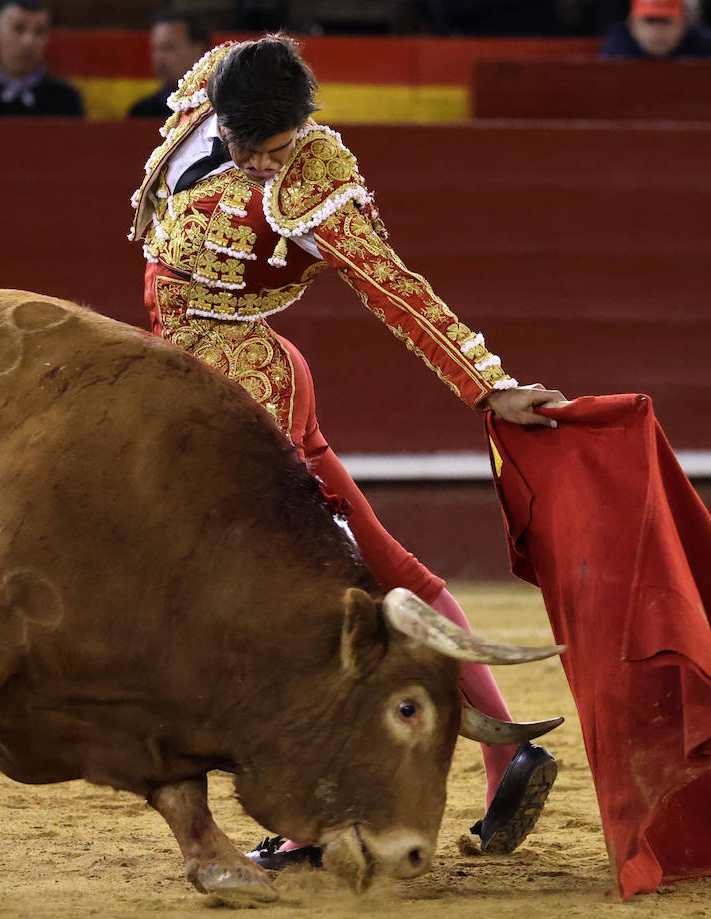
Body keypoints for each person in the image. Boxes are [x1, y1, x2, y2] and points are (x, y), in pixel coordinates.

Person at [127, 36, 565, 868]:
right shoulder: (218, 80)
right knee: (379, 567)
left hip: (246, 396)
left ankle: (323, 811)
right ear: (219, 116)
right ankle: (507, 754)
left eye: (283, 146)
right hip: (215, 380)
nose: (268, 166)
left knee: (299, 607)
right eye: (255, 151)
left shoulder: (315, 179)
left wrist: (488, 384)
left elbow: (394, 287)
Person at [128, 12, 210, 119]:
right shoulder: (141, 113)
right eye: (155, 49)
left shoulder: (219, 108)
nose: (158, 58)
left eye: (168, 48)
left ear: (198, 50)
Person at [600, 0, 711, 59]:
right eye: (649, 21)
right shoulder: (616, 49)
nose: (657, 32)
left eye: (665, 21)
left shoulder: (708, 48)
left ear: (683, 24)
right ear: (632, 25)